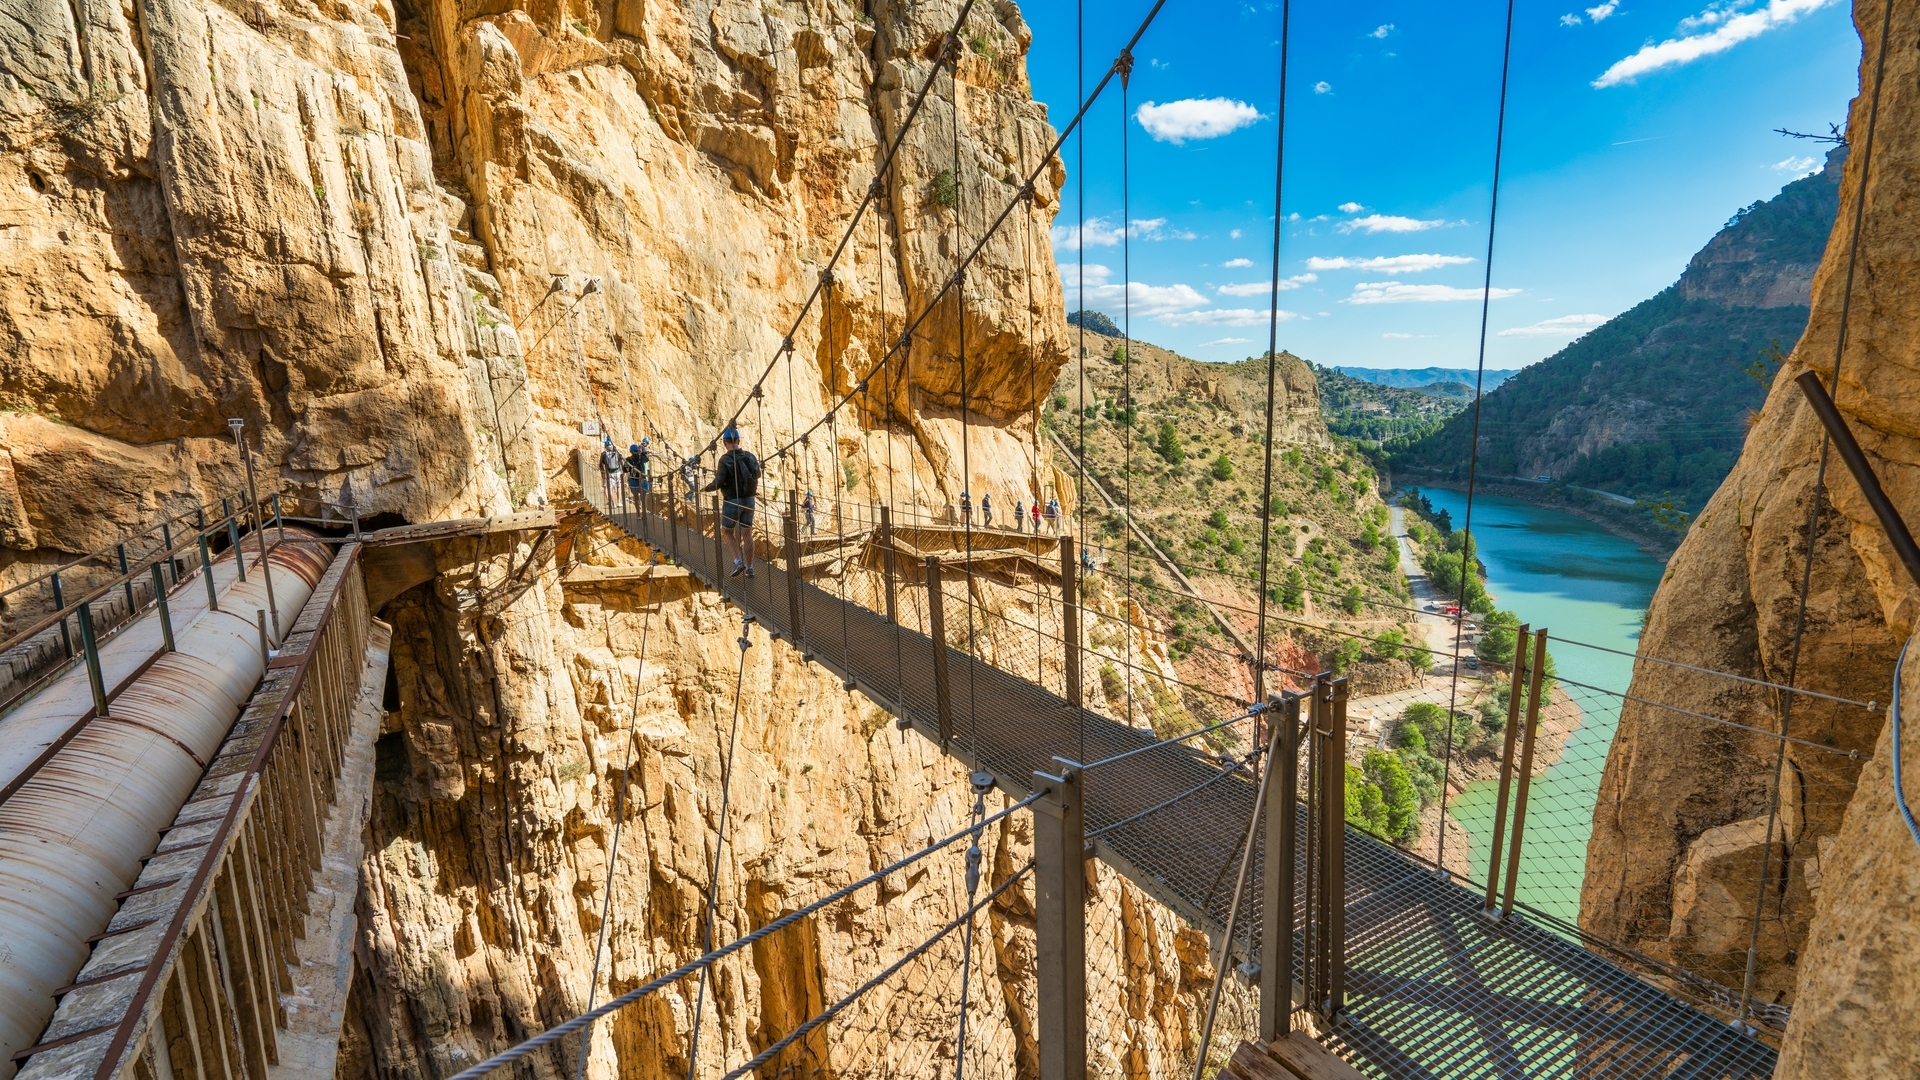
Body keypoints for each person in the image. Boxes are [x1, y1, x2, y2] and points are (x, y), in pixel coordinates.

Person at [703, 428, 762, 577]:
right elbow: (758, 474)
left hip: (732, 502)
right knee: (746, 533)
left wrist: (705, 488)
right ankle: (749, 568)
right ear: (739, 441)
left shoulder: (725, 459)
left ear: (724, 443)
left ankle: (737, 561)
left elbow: (718, 482)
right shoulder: (750, 456)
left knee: (727, 531)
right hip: (749, 500)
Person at [597, 437, 624, 509]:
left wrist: (603, 473)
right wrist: (623, 471)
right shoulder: (616, 452)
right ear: (611, 445)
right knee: (619, 487)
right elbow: (621, 461)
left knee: (610, 489)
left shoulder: (603, 454)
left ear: (605, 447)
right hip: (618, 472)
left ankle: (613, 503)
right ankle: (619, 502)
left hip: (609, 473)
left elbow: (601, 464)